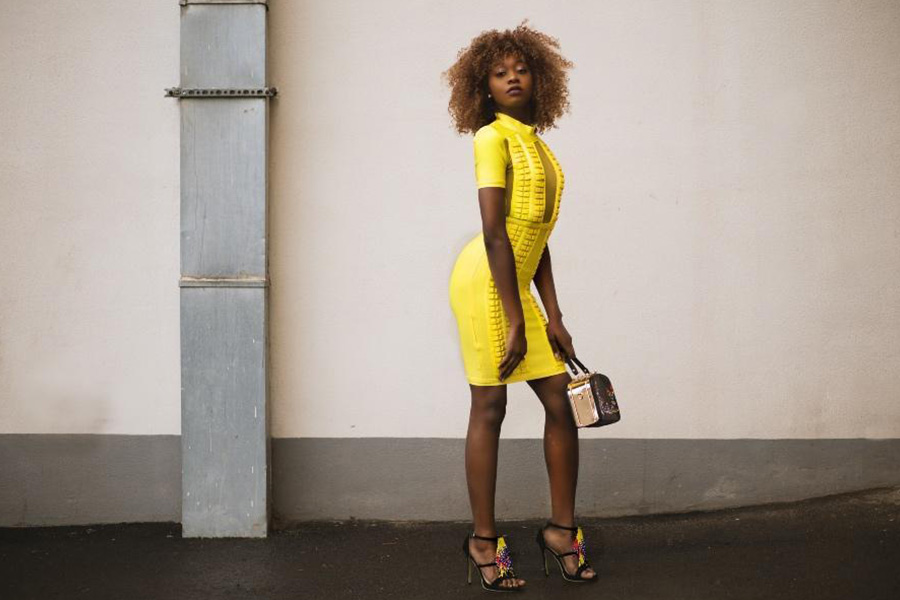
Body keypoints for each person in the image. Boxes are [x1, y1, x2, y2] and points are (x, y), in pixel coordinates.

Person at [442, 20, 599, 592]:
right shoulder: (491, 138)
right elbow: (494, 234)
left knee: (560, 401)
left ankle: (561, 531)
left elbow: (535, 235)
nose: (512, 78)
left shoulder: (539, 145)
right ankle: (483, 541)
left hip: (516, 282)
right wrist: (514, 316)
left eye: (521, 69)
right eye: (499, 72)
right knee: (491, 406)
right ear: (483, 87)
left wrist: (552, 316)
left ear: (540, 79)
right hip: (487, 280)